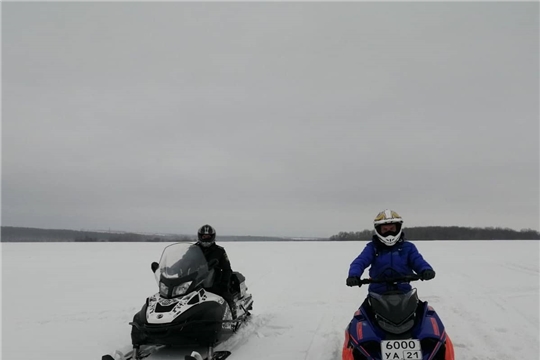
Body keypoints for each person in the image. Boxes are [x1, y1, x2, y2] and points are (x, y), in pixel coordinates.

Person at [346, 209, 436, 317]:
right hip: (377, 295)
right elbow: (360, 261)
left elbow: (418, 260)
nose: (389, 232)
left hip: (404, 293)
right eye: (385, 229)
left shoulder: (408, 248)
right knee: (361, 318)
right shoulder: (372, 248)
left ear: (398, 228)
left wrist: (426, 270)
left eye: (392, 229)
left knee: (425, 316)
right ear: (378, 230)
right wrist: (354, 275)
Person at [194, 224, 237, 318]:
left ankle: (233, 314)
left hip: (215, 281)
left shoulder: (219, 251)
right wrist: (171, 268)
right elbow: (183, 261)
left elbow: (227, 269)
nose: (206, 238)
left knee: (225, 294)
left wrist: (224, 284)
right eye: (204, 236)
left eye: (208, 236)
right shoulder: (193, 249)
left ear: (212, 237)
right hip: (195, 281)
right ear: (200, 236)